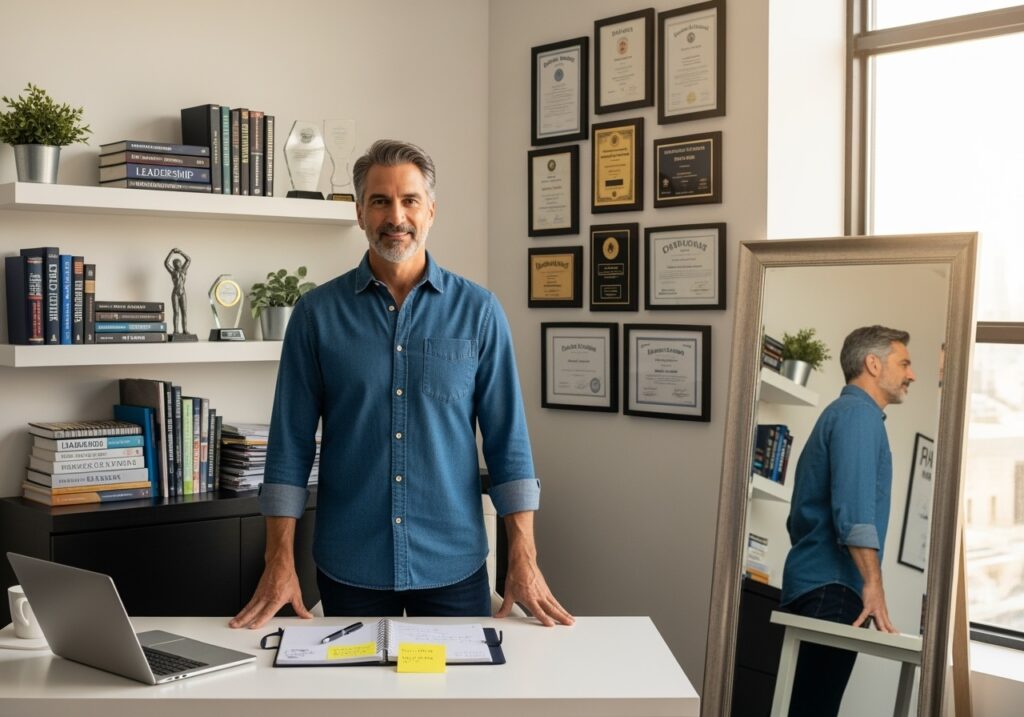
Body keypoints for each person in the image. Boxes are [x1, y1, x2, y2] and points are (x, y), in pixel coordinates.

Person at [230, 139, 573, 629]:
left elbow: (508, 445)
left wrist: (524, 557)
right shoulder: (315, 316)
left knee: (457, 706)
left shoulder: (479, 312)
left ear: (431, 210)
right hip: (351, 567)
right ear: (359, 214)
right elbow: (289, 447)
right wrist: (278, 560)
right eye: (380, 201)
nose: (396, 216)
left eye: (410, 200)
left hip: (454, 566)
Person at [779, 325, 915, 717]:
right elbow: (854, 515)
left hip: (814, 585)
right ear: (873, 364)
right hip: (833, 590)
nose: (912, 374)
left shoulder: (842, 414)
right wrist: (872, 584)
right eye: (903, 362)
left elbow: (799, 520)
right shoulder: (859, 416)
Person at [164, 248, 191, 335]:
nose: (177, 264)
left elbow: (188, 259)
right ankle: (176, 330)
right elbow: (166, 263)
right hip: (175, 293)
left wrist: (181, 252)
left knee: (184, 312)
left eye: (179, 262)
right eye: (175, 263)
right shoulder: (172, 271)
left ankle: (185, 330)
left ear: (180, 263)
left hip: (183, 292)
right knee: (176, 312)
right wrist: (171, 252)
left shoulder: (184, 270)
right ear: (174, 265)